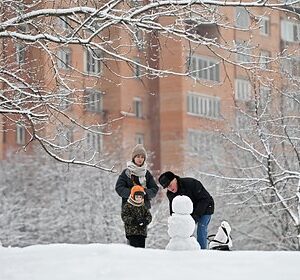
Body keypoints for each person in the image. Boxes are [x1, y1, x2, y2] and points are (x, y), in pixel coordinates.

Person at [158, 171, 214, 249]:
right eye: (167, 187)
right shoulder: (171, 194)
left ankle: (202, 250)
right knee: (185, 230)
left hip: (206, 207)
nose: (170, 189)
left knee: (201, 228)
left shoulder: (191, 183)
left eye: (170, 185)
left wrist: (195, 216)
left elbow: (205, 199)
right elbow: (174, 210)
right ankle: (188, 250)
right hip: (188, 213)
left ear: (175, 179)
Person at [115, 144, 159, 210]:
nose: (140, 159)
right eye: (138, 156)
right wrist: (133, 193)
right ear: (134, 158)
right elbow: (119, 188)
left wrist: (144, 192)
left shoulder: (146, 173)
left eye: (142, 157)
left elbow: (154, 189)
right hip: (129, 208)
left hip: (144, 209)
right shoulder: (127, 172)